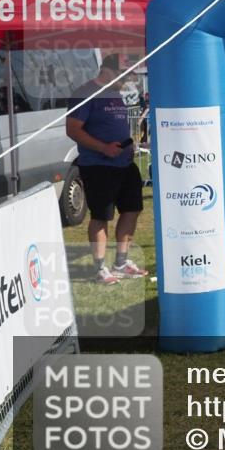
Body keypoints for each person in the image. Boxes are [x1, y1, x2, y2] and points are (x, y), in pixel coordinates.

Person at [65, 54, 149, 284]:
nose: (127, 79)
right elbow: (72, 130)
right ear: (107, 70)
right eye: (125, 74)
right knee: (101, 216)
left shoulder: (117, 93)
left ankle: (121, 263)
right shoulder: (85, 93)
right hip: (98, 165)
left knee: (132, 209)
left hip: (124, 163)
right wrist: (103, 147)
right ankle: (100, 268)